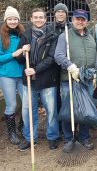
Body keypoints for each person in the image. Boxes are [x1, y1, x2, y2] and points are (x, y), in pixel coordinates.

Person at [16, 8, 59, 151]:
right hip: (28, 80)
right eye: (36, 17)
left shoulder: (53, 35)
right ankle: (30, 138)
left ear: (45, 19)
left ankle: (52, 137)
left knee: (51, 111)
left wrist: (36, 69)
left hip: (47, 79)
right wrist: (23, 51)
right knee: (28, 111)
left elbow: (52, 58)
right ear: (31, 19)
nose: (39, 19)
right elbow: (19, 59)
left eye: (41, 17)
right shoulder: (26, 35)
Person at [54, 9, 96, 150]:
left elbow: (94, 58)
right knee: (69, 110)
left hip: (86, 79)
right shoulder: (64, 35)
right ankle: (68, 138)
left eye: (82, 19)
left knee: (85, 110)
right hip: (69, 79)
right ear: (72, 20)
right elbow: (58, 55)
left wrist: (94, 74)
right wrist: (70, 66)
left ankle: (84, 137)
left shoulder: (90, 37)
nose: (80, 21)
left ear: (86, 22)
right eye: (77, 19)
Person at [0, 6, 25, 145]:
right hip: (6, 75)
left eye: (15, 18)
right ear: (6, 20)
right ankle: (12, 133)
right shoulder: (1, 36)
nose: (13, 21)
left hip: (21, 74)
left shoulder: (22, 34)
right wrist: (12, 54)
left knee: (27, 102)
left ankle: (22, 127)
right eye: (10, 19)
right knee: (12, 105)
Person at [47, 3, 69, 135]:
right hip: (51, 66)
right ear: (54, 14)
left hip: (65, 66)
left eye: (63, 12)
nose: (60, 14)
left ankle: (67, 122)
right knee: (55, 96)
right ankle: (58, 126)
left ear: (66, 14)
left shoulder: (70, 27)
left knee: (66, 95)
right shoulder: (49, 28)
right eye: (58, 12)